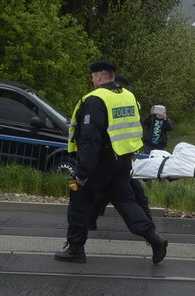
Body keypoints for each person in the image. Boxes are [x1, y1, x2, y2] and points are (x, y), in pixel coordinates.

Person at [54, 60, 167, 265]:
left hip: (100, 161)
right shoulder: (128, 95)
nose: (92, 80)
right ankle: (155, 239)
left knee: (79, 201)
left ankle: (76, 249)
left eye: (92, 77)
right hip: (123, 161)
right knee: (126, 201)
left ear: (98, 76)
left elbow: (90, 139)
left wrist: (82, 173)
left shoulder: (96, 100)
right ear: (112, 76)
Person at [88, 75, 153, 230]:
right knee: (128, 196)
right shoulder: (131, 101)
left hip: (109, 156)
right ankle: (149, 228)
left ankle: (89, 222)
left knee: (102, 192)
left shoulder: (103, 101)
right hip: (125, 156)